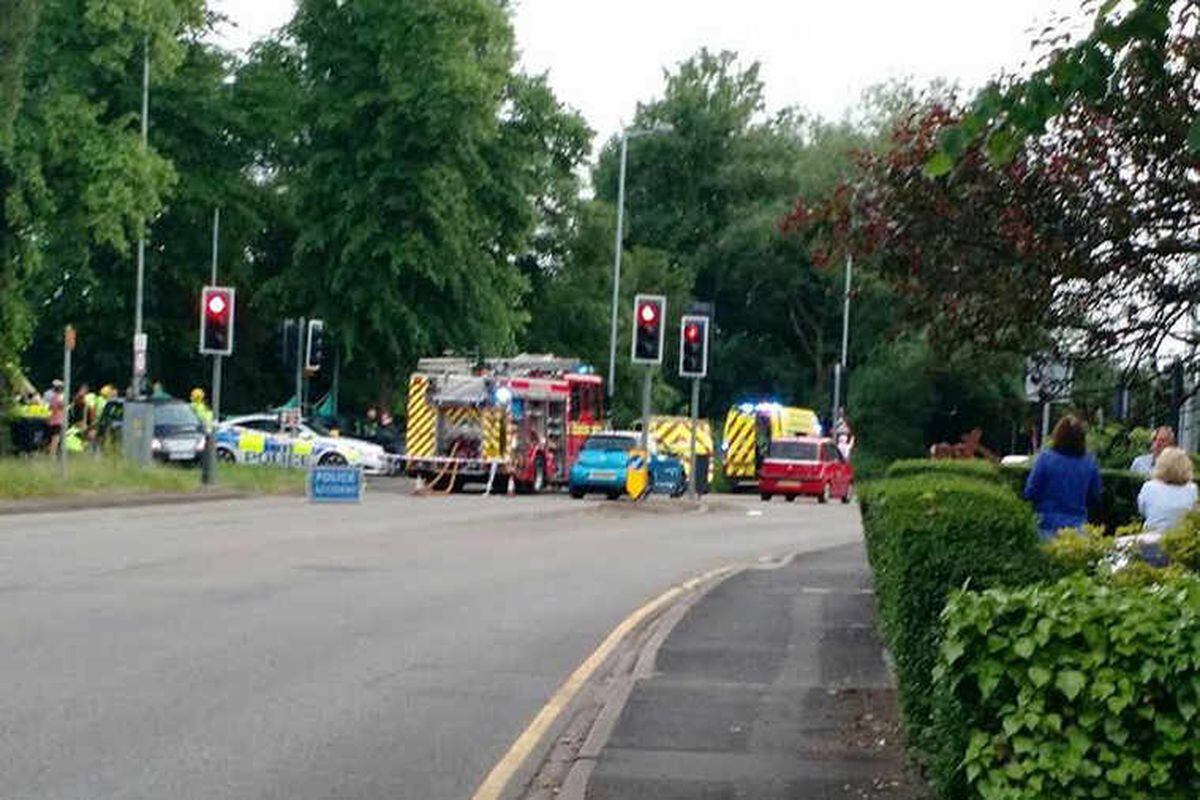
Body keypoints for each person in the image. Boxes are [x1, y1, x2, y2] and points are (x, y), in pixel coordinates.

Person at [1024, 415, 1102, 540]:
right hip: (1078, 527)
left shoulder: (1045, 459)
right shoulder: (1090, 463)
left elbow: (1030, 492)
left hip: (1046, 525)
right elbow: (1094, 496)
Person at [1117, 447, 1198, 566]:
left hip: (1151, 542)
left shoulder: (1149, 487)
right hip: (1181, 543)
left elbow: (1142, 511)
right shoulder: (1192, 489)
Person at [45, 379, 65, 455]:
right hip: (58, 420)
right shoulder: (60, 397)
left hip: (51, 419)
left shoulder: (51, 396)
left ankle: (51, 451)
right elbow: (61, 406)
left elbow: (48, 407)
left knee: (53, 437)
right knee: (55, 438)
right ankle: (52, 453)